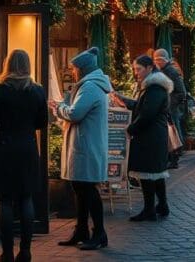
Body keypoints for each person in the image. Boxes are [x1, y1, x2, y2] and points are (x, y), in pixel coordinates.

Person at [0, 50, 48, 262]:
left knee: (5, 201)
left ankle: (7, 253)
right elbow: (42, 122)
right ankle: (26, 251)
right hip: (28, 148)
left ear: (7, 64)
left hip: (4, 148)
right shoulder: (37, 90)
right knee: (27, 198)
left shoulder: (0, 89)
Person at [51, 47, 112, 251]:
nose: (73, 72)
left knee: (88, 189)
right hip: (86, 144)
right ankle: (82, 230)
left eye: (75, 69)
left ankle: (99, 232)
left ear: (83, 69)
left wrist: (58, 109)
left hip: (86, 146)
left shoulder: (90, 87)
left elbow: (76, 113)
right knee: (81, 188)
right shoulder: (89, 85)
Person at [114, 55, 173, 222]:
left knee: (147, 172)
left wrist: (131, 129)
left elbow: (147, 114)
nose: (136, 73)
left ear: (149, 68)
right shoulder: (152, 86)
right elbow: (143, 107)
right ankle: (162, 205)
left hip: (150, 137)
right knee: (156, 172)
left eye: (138, 69)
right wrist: (124, 101)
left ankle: (149, 210)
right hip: (154, 135)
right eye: (135, 69)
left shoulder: (154, 88)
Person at [152, 49, 186, 169]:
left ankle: (175, 156)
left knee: (173, 133)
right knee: (169, 133)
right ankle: (171, 156)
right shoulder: (159, 71)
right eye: (156, 60)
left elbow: (182, 92)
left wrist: (171, 104)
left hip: (170, 108)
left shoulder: (171, 71)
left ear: (165, 60)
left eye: (160, 60)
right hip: (164, 107)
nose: (158, 62)